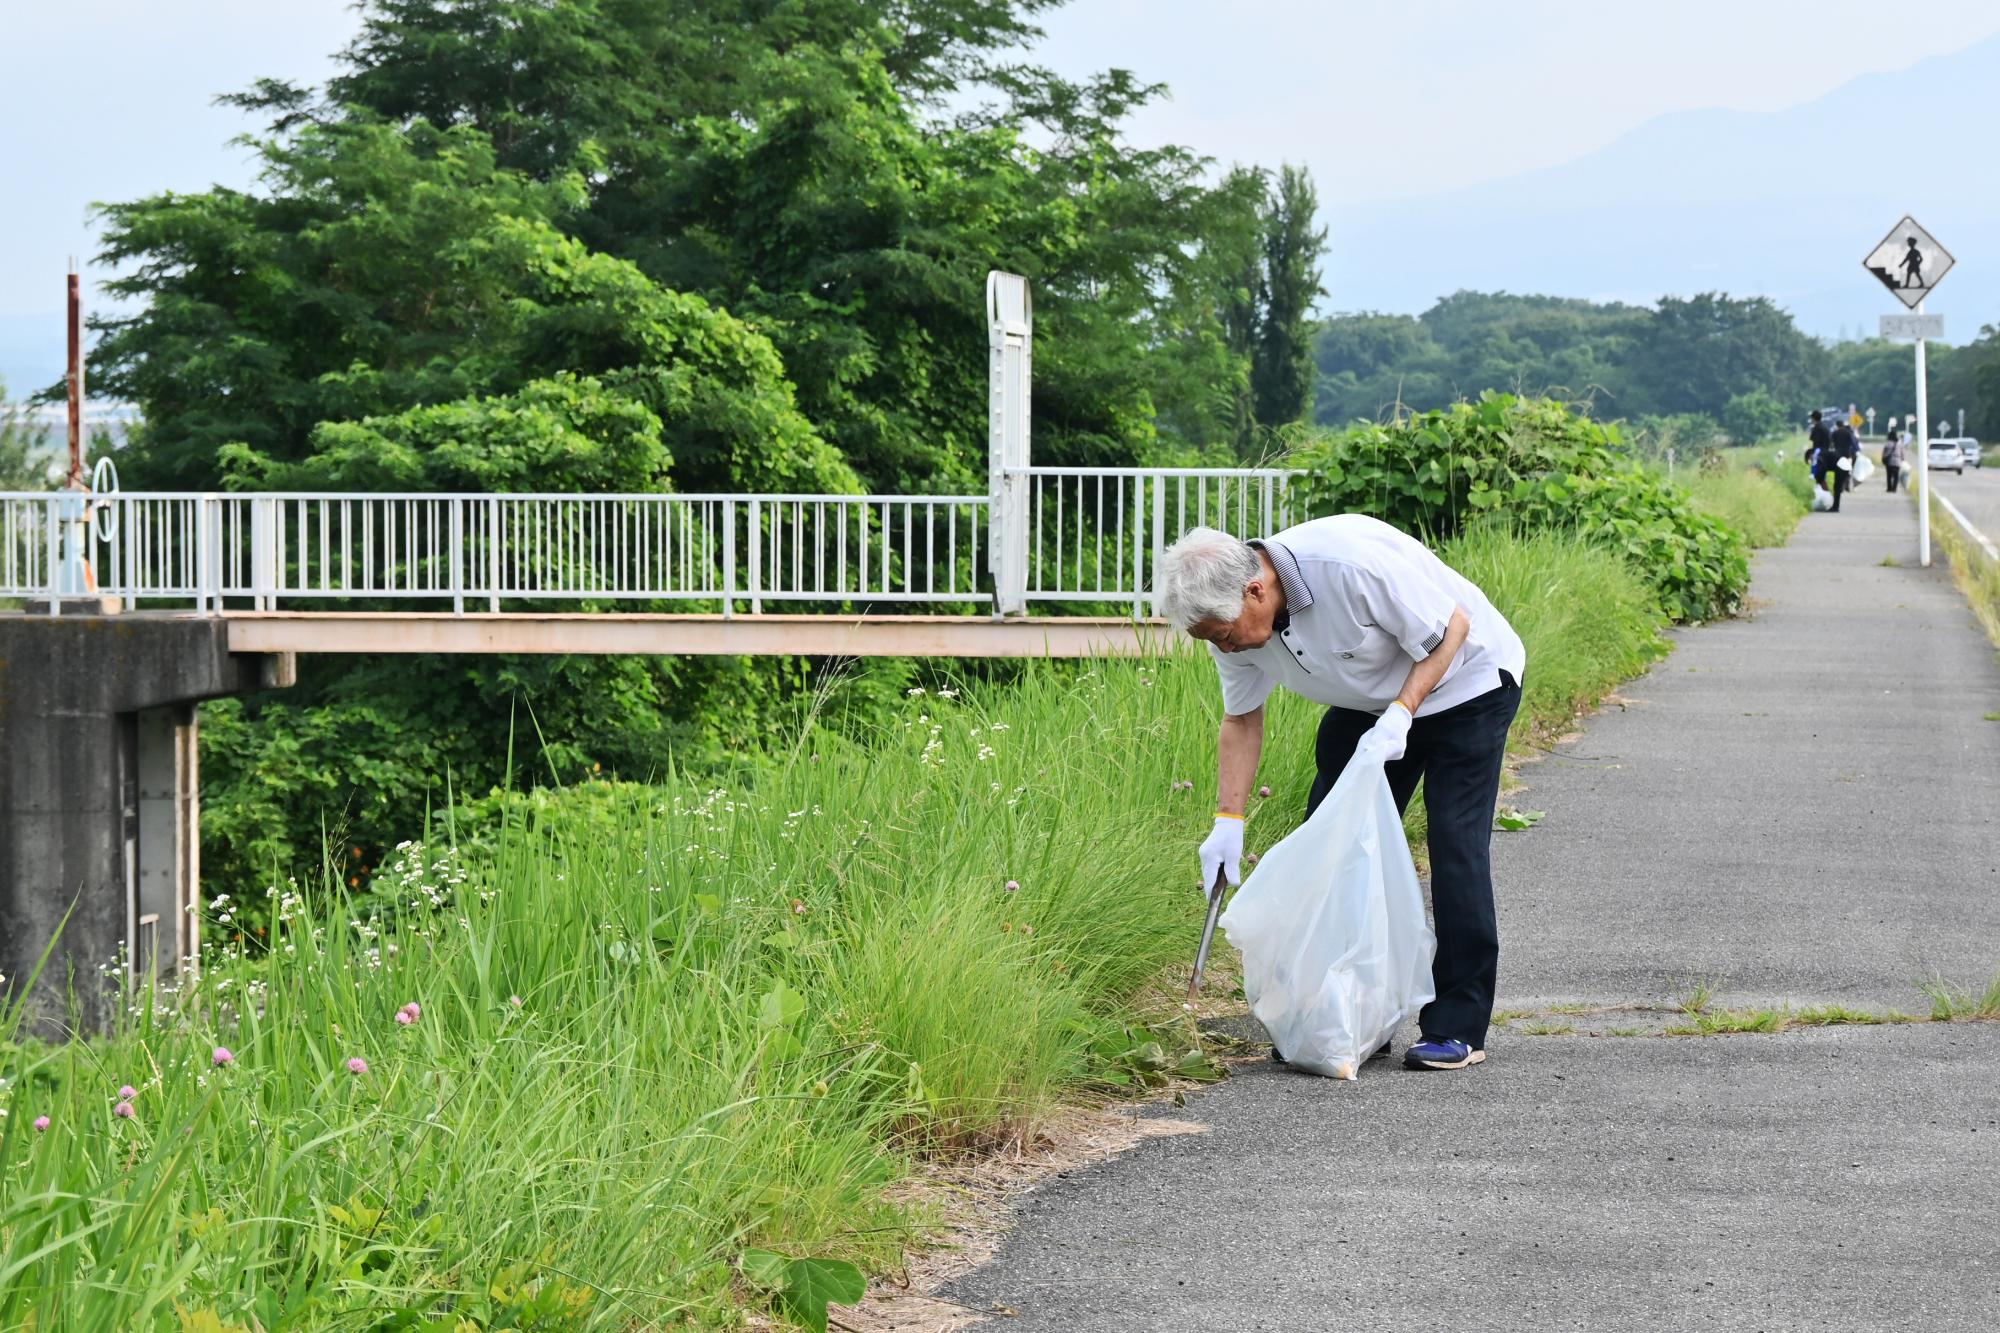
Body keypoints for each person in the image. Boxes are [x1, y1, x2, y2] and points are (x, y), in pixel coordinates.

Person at [1157, 519, 1526, 1073]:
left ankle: (1457, 1026)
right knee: (1332, 853)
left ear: (1254, 589)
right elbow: (1240, 717)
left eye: (1222, 634)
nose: (1223, 646)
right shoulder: (1228, 620)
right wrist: (1227, 819)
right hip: (1367, 704)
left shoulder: (1347, 567)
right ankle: (1348, 1018)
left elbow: (1453, 627)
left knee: (1455, 842)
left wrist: (1402, 715)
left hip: (1466, 683)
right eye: (1210, 639)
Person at [1823, 418, 1859, 512]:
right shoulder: (1848, 433)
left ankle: (1835, 506)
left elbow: (1830, 445)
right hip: (1846, 458)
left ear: (1837, 425)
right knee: (1841, 480)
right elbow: (1855, 446)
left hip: (1836, 458)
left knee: (1837, 483)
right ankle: (1837, 503)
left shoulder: (1834, 433)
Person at [1804, 409, 1829, 474]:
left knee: (1817, 474)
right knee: (1822, 474)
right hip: (1826, 452)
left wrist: (1813, 453)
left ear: (1813, 418)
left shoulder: (1817, 428)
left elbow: (1815, 441)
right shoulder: (1825, 427)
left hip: (1819, 454)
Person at [1883, 429, 1906, 493]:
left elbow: (1884, 453)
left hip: (1889, 461)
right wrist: (1903, 458)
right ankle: (1894, 488)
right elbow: (1902, 452)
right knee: (1896, 476)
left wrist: (1884, 458)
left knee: (1889, 475)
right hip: (1897, 461)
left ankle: (1889, 488)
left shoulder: (1887, 443)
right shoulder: (1899, 444)